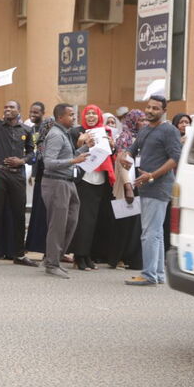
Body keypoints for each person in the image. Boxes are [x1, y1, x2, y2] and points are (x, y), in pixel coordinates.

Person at [0, 81, 38, 268]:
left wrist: (22, 161)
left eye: (11, 107)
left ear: (19, 111)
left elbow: (32, 153)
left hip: (17, 176)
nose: (7, 110)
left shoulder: (26, 130)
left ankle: (19, 254)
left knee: (19, 214)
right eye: (5, 107)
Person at [123, 96, 181, 286]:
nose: (150, 111)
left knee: (149, 233)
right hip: (146, 187)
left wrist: (152, 175)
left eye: (155, 108)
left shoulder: (169, 130)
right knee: (156, 233)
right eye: (148, 107)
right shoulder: (145, 129)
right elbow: (132, 149)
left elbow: (175, 158)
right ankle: (158, 274)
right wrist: (125, 156)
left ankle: (148, 275)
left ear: (164, 111)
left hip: (159, 187)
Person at [41, 103, 91, 278]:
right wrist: (74, 161)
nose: (74, 118)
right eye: (71, 115)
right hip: (56, 183)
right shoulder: (56, 135)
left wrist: (86, 148)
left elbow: (68, 156)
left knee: (70, 222)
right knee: (58, 225)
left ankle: (55, 257)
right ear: (60, 117)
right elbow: (49, 163)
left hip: (68, 182)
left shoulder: (64, 133)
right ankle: (52, 263)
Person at [68, 105, 117, 271]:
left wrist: (112, 146)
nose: (91, 116)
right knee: (83, 220)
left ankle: (87, 255)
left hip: (100, 180)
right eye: (88, 113)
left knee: (93, 221)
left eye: (94, 114)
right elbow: (71, 154)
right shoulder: (76, 131)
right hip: (84, 180)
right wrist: (80, 142)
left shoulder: (105, 132)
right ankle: (79, 256)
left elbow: (110, 155)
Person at [108, 109, 146, 269]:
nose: (144, 123)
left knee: (134, 225)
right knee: (124, 224)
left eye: (145, 120)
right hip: (126, 185)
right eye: (141, 120)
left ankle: (131, 258)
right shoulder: (125, 137)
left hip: (138, 182)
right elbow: (121, 163)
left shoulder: (142, 137)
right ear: (133, 121)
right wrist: (128, 186)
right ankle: (117, 258)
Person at [25, 118, 55, 255]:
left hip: (50, 182)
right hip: (43, 183)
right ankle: (40, 247)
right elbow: (41, 161)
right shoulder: (42, 143)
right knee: (41, 216)